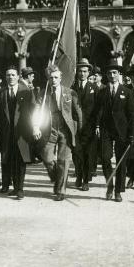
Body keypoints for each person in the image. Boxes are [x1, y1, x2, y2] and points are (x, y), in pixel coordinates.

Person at [34, 65, 82, 201]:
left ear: (61, 78)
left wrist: (77, 130)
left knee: (63, 160)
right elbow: (37, 111)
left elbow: (77, 113)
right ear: (48, 79)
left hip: (66, 130)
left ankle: (61, 190)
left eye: (56, 77)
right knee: (47, 157)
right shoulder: (43, 94)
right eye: (51, 78)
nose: (53, 80)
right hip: (50, 128)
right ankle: (56, 176)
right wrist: (36, 126)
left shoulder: (69, 92)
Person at [0, 65, 36, 200]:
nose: (10, 77)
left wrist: (35, 126)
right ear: (5, 77)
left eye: (13, 75)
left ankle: (20, 189)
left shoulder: (26, 91)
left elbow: (34, 110)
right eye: (8, 75)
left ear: (18, 77)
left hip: (22, 132)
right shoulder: (1, 93)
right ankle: (15, 187)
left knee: (21, 160)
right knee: (9, 159)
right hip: (6, 133)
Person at [94, 60, 134, 202]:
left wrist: (131, 134)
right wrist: (97, 126)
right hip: (106, 130)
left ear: (119, 75)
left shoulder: (127, 92)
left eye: (115, 73)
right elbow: (98, 111)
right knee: (105, 158)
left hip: (122, 131)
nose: (112, 75)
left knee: (121, 161)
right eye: (110, 73)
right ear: (106, 75)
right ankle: (110, 185)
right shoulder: (102, 92)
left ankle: (118, 191)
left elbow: (131, 115)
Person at [71, 58, 98, 191]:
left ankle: (86, 180)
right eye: (80, 71)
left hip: (89, 126)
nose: (82, 74)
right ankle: (78, 175)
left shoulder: (94, 88)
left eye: (85, 71)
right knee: (76, 153)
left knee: (87, 154)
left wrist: (97, 125)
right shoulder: (72, 88)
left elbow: (98, 109)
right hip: (75, 126)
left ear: (89, 73)